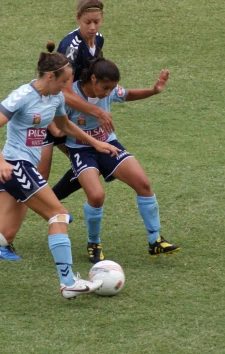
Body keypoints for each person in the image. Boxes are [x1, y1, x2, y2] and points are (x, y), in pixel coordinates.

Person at [0, 42, 120, 299]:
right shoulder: (21, 96)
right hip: (15, 165)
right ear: (50, 77)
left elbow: (65, 126)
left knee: (3, 235)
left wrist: (95, 143)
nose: (67, 87)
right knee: (58, 215)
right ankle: (68, 281)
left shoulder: (56, 97)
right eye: (64, 81)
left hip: (22, 168)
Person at [0, 0, 112, 261]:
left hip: (60, 116)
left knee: (81, 161)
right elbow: (66, 91)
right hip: (48, 120)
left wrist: (92, 135)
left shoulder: (97, 41)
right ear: (77, 18)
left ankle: (13, 228)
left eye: (97, 21)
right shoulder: (69, 49)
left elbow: (80, 86)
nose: (93, 27)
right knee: (41, 178)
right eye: (87, 22)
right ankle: (6, 235)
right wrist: (96, 112)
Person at [63, 57, 180, 263]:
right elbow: (59, 126)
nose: (108, 93)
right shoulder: (71, 95)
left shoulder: (109, 91)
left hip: (109, 145)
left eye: (111, 88)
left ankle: (155, 240)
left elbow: (126, 94)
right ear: (93, 79)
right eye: (105, 87)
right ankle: (94, 243)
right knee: (97, 196)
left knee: (143, 183)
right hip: (81, 150)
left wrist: (154, 90)